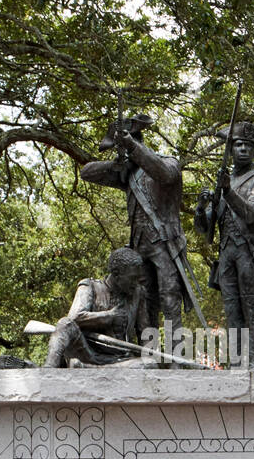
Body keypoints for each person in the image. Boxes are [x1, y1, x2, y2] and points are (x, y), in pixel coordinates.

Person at [81, 114, 195, 333]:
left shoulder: (167, 161)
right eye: (119, 147)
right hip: (139, 247)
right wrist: (115, 163)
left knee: (169, 297)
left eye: (123, 145)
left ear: (137, 141)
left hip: (165, 244)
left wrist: (132, 147)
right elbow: (87, 172)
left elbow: (166, 174)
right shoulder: (128, 173)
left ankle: (174, 360)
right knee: (144, 302)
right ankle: (148, 354)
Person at [196, 121, 254, 369]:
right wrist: (201, 207)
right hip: (227, 255)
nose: (243, 149)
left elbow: (251, 213)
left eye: (248, 146)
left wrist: (228, 191)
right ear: (230, 150)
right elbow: (205, 228)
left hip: (250, 253)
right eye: (238, 145)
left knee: (251, 309)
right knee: (232, 312)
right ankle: (236, 362)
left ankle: (251, 363)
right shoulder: (223, 182)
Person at [44, 247, 152, 368]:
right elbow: (74, 317)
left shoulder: (138, 293)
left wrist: (150, 354)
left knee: (149, 364)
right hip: (87, 353)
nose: (136, 283)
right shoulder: (90, 286)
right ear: (116, 274)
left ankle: (91, 369)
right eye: (132, 278)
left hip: (120, 360)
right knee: (64, 323)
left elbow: (145, 330)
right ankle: (48, 368)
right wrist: (109, 317)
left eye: (138, 278)